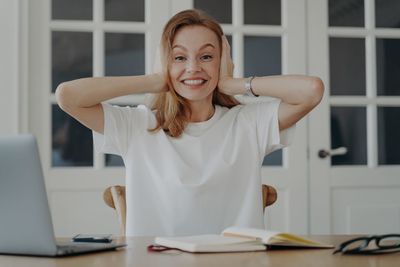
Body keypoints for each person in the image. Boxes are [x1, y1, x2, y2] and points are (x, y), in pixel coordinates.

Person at [56, 9, 324, 237]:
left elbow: (311, 90)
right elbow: (67, 96)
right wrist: (154, 80)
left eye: (206, 56)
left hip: (236, 261)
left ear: (221, 62)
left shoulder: (248, 123)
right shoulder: (138, 125)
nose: (193, 68)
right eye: (179, 57)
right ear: (166, 63)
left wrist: (235, 84)